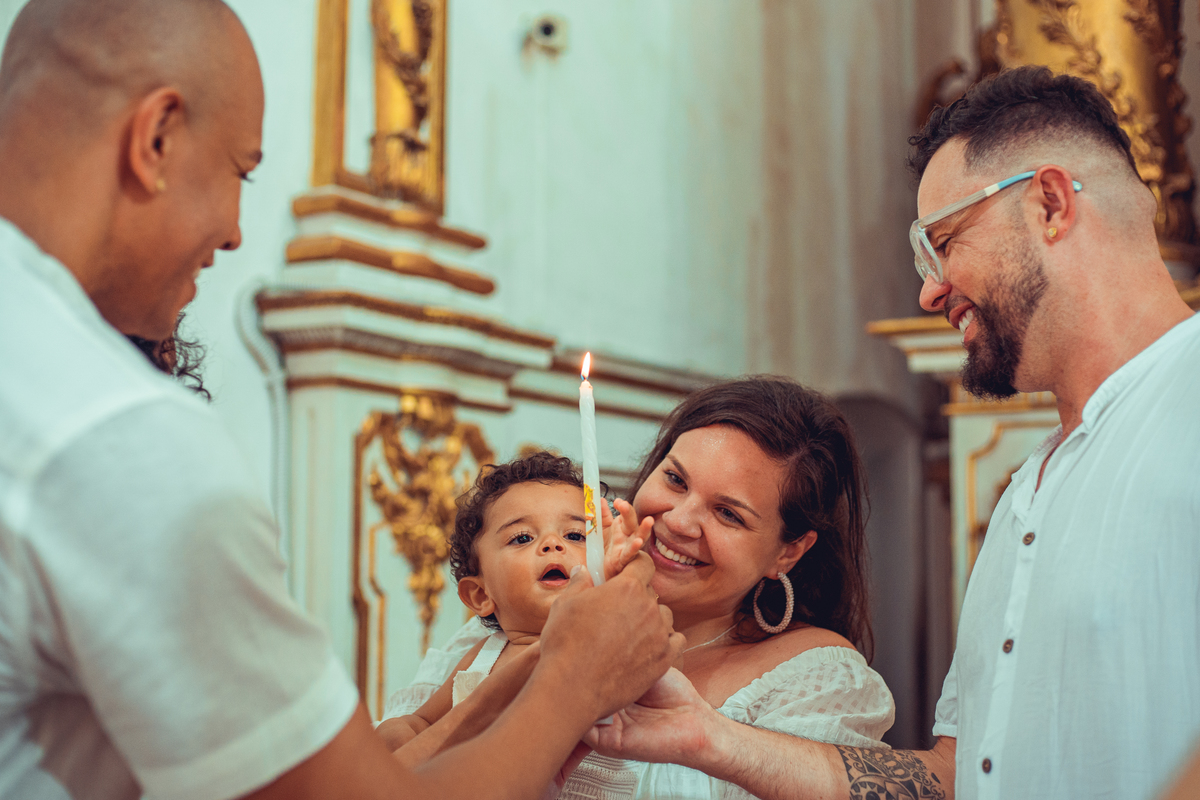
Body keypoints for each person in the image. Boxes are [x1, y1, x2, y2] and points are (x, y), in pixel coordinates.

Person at [0, 2, 681, 799]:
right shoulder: (119, 434)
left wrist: (522, 679)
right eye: (241, 172)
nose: (234, 233)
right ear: (155, 139)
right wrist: (575, 679)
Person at [573, 66, 1200, 800]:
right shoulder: (1025, 495)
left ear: (1050, 203)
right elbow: (951, 779)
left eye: (942, 243)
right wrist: (708, 739)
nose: (929, 290)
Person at [381, 377, 896, 799]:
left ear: (789, 550)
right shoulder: (514, 625)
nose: (678, 520)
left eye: (727, 514)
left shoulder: (819, 683)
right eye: (675, 480)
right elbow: (393, 766)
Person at [381, 451, 649, 751]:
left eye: (575, 535)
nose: (553, 544)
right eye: (522, 538)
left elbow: (663, 667)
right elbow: (425, 722)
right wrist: (399, 731)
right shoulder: (484, 656)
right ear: (481, 595)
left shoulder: (612, 643)